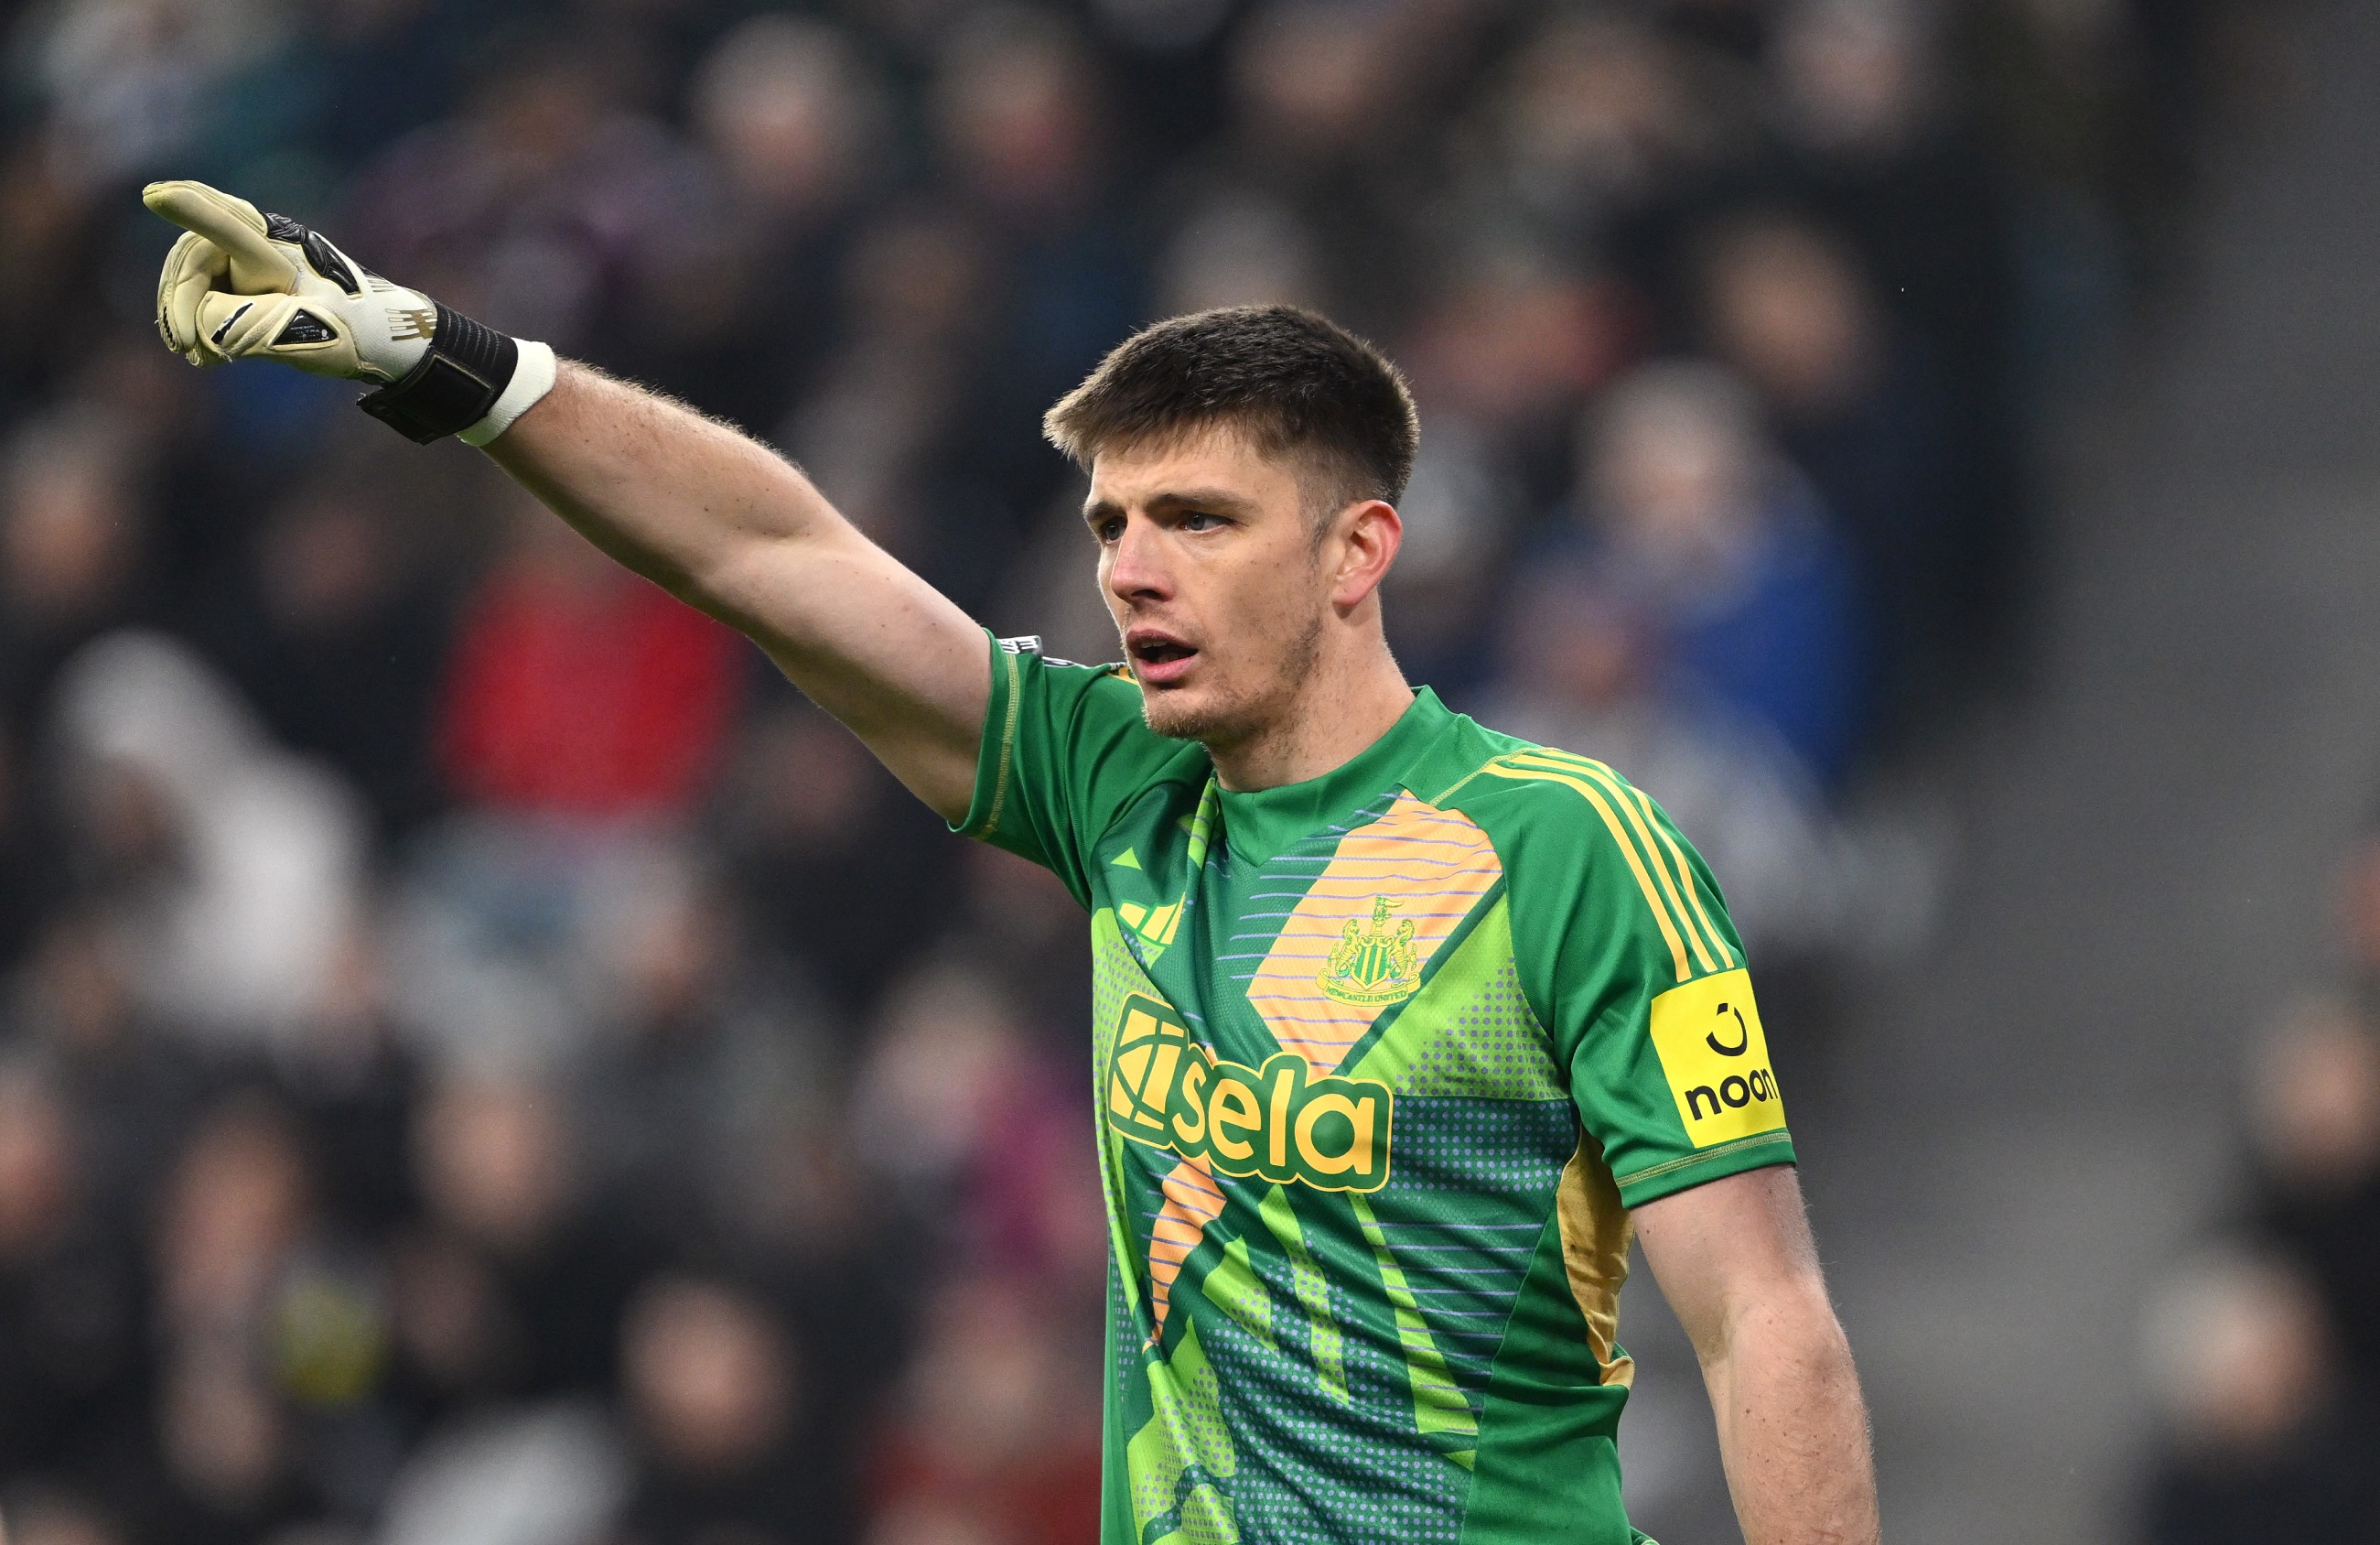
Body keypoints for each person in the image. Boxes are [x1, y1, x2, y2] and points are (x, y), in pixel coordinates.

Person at [138, 180, 1879, 1545]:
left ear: (1360, 551)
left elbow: (1763, 1325)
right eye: (1112, 524)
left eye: (1197, 520)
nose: (1132, 571)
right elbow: (769, 547)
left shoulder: (1563, 846)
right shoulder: (1111, 780)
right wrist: (436, 360)